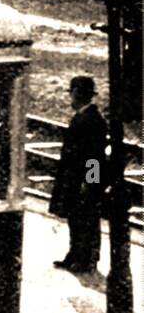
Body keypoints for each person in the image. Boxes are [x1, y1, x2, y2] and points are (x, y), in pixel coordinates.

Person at [50, 75, 108, 273]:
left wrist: (90, 183)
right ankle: (75, 256)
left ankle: (86, 259)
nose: (70, 99)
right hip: (76, 180)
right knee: (76, 220)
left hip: (83, 181)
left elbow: (94, 156)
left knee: (86, 220)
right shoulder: (85, 117)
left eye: (72, 94)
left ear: (77, 94)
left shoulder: (91, 120)